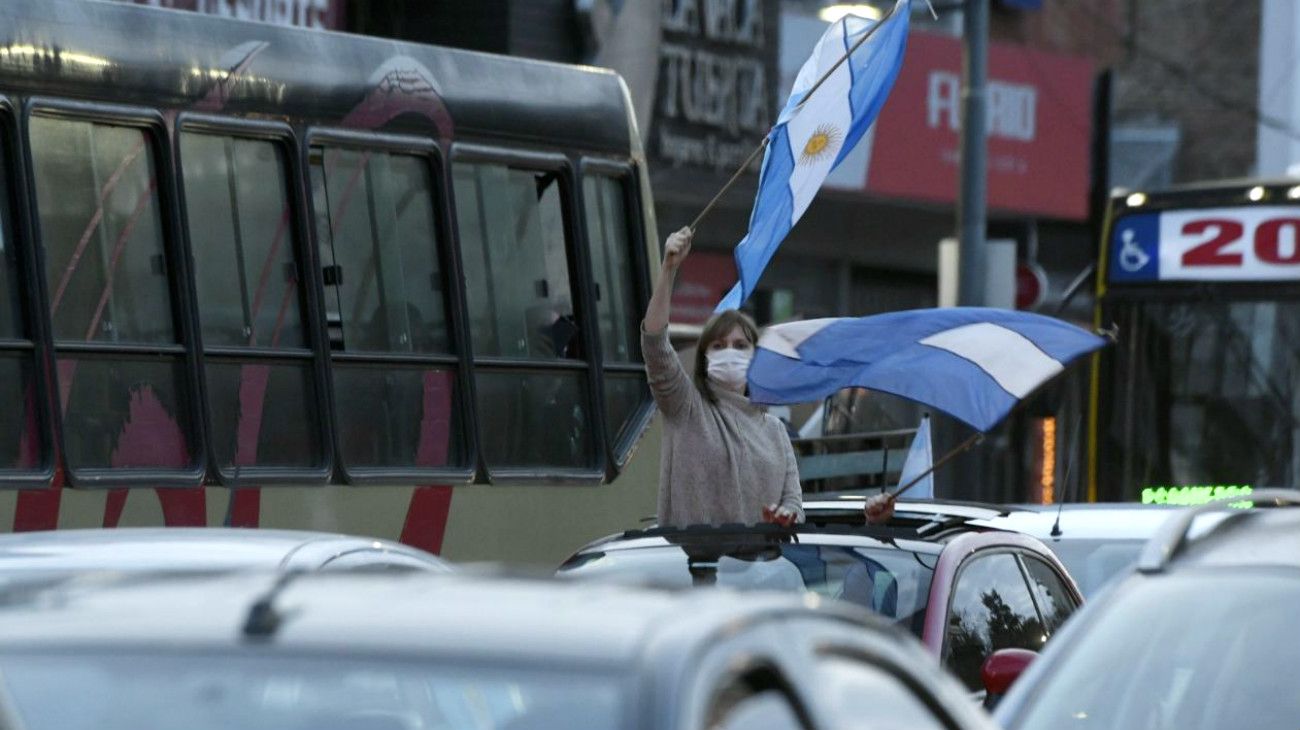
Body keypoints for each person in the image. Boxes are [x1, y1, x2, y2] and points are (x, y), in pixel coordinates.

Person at [643, 226, 803, 527]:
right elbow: (654, 345)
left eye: (741, 346)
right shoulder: (686, 406)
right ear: (705, 357)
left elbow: (793, 502)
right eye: (719, 346)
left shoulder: (775, 432)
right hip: (695, 570)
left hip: (758, 570)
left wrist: (786, 516)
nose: (730, 352)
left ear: (755, 357)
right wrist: (668, 270)